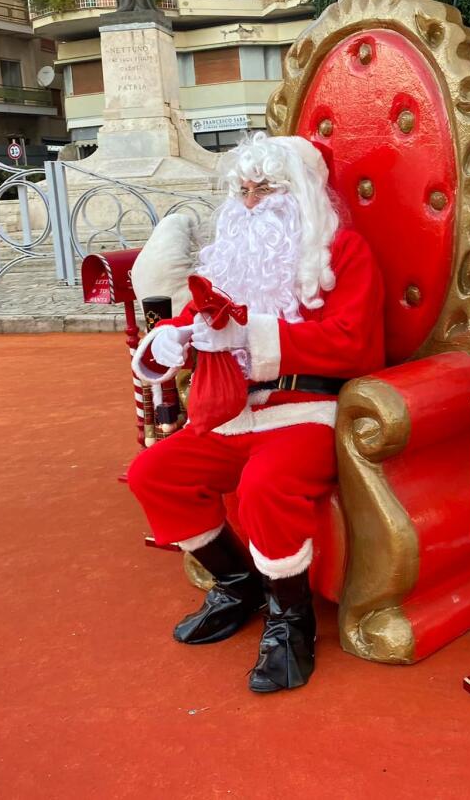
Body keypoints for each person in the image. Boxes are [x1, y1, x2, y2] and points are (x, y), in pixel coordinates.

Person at [128, 134, 384, 693]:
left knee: (264, 486)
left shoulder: (342, 254)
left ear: (301, 192)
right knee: (155, 473)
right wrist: (168, 343)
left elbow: (357, 344)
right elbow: (198, 315)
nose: (250, 203)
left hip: (305, 408)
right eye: (243, 190)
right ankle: (237, 583)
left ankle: (291, 622)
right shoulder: (233, 256)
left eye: (264, 189)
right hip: (233, 410)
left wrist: (255, 334)